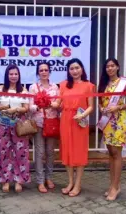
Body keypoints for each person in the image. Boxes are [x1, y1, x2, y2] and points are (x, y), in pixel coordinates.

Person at [51, 58, 95, 197]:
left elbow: (91, 106)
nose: (75, 71)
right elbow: (58, 102)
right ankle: (70, 182)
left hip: (80, 122)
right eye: (72, 68)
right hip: (65, 120)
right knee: (67, 152)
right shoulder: (63, 85)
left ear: (82, 69)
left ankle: (78, 184)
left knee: (79, 152)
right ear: (68, 71)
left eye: (77, 68)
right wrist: (51, 103)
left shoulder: (89, 86)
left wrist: (82, 116)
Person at [98, 58, 126, 201]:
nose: (110, 69)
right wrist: (102, 108)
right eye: (107, 66)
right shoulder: (104, 83)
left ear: (118, 67)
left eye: (112, 66)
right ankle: (112, 185)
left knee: (116, 153)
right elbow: (100, 101)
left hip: (118, 121)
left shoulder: (124, 83)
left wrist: (117, 107)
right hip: (107, 121)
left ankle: (116, 187)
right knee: (110, 153)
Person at [0, 64, 30, 193]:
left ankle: (19, 180)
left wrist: (17, 109)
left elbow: (26, 108)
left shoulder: (23, 90)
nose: (13, 76)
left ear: (19, 76)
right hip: (3, 124)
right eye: (11, 74)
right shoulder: (0, 89)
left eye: (16, 74)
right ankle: (5, 180)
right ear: (7, 76)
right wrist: (2, 108)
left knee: (21, 152)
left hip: (19, 125)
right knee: (4, 152)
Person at [28, 62, 60, 193]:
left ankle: (49, 177)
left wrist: (52, 104)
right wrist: (38, 106)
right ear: (38, 72)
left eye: (46, 70)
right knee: (40, 153)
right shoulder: (33, 87)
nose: (44, 72)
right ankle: (40, 181)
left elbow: (58, 103)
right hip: (39, 124)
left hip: (52, 123)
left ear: (49, 72)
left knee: (50, 152)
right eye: (41, 70)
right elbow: (30, 106)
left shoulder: (55, 87)